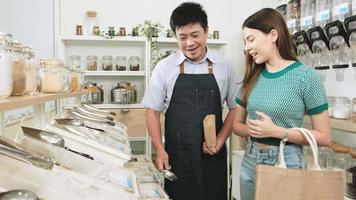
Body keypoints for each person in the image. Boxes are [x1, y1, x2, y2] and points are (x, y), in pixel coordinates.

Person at [142, 2, 237, 200]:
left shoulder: (224, 66)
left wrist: (220, 141)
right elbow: (152, 111)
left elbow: (235, 109)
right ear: (175, 36)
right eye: (182, 37)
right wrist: (159, 150)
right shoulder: (164, 68)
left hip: (212, 155)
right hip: (178, 157)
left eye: (195, 35)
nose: (189, 43)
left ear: (206, 31)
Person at [233, 8, 331, 200]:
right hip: (250, 159)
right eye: (245, 42)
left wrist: (277, 132)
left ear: (273, 35)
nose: (246, 48)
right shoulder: (252, 77)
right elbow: (237, 125)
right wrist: (256, 130)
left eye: (251, 39)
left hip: (288, 160)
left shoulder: (305, 77)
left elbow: (325, 136)